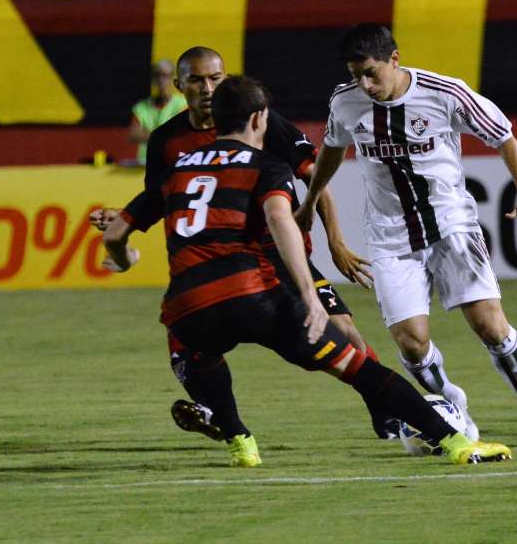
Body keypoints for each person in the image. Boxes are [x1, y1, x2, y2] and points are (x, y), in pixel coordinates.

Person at [101, 75, 512, 466]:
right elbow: (282, 221)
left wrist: (125, 261)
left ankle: (239, 440)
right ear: (260, 118)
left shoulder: (176, 168)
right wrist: (309, 295)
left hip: (190, 306)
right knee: (359, 367)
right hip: (256, 297)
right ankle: (457, 443)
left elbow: (116, 232)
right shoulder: (265, 166)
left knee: (190, 351)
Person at [91, 46, 398, 441]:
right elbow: (165, 200)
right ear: (180, 86)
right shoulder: (166, 139)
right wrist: (124, 216)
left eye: (215, 78)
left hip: (278, 256)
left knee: (344, 333)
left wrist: (335, 242)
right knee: (191, 342)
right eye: (197, 80)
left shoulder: (260, 122)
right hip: (221, 264)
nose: (207, 87)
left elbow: (316, 180)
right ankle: (219, 414)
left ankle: (383, 408)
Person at [297, 24, 517, 447]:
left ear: (394, 60)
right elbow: (333, 147)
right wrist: (310, 201)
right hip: (390, 238)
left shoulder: (445, 93)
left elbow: (503, 134)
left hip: (451, 227)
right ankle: (452, 403)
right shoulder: (345, 101)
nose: (364, 84)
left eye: (371, 73)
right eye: (356, 75)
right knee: (411, 344)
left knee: (492, 327)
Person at [128, 59, 187, 164]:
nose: (161, 80)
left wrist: (149, 135)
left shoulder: (183, 104)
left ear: (173, 79)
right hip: (146, 164)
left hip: (174, 162)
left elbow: (183, 133)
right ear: (153, 79)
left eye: (165, 76)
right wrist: (166, 135)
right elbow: (134, 134)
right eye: (157, 75)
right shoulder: (141, 107)